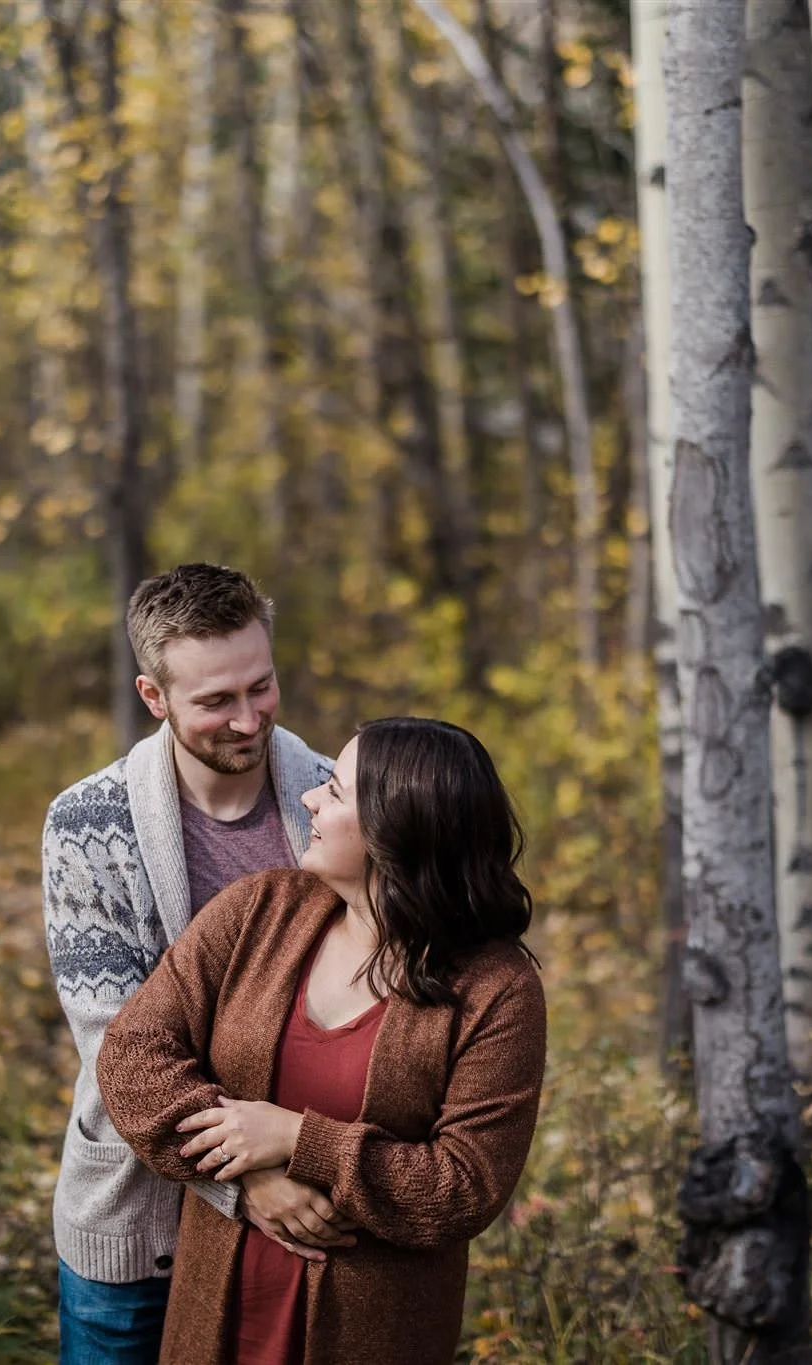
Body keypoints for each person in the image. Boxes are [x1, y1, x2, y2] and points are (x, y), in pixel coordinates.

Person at [96, 717, 547, 1364]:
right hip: (216, 1322)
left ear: (396, 832)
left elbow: (462, 1186)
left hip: (378, 1331)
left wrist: (296, 1138)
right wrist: (251, 1173)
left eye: (334, 792)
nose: (309, 798)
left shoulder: (497, 989)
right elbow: (132, 1054)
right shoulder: (260, 910)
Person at [43, 564, 339, 1365]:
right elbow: (119, 1048)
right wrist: (249, 1182)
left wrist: (306, 1161)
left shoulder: (331, 797)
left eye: (261, 686)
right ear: (154, 696)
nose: (248, 720)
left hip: (303, 1213)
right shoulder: (88, 824)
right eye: (215, 700)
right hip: (143, 1224)